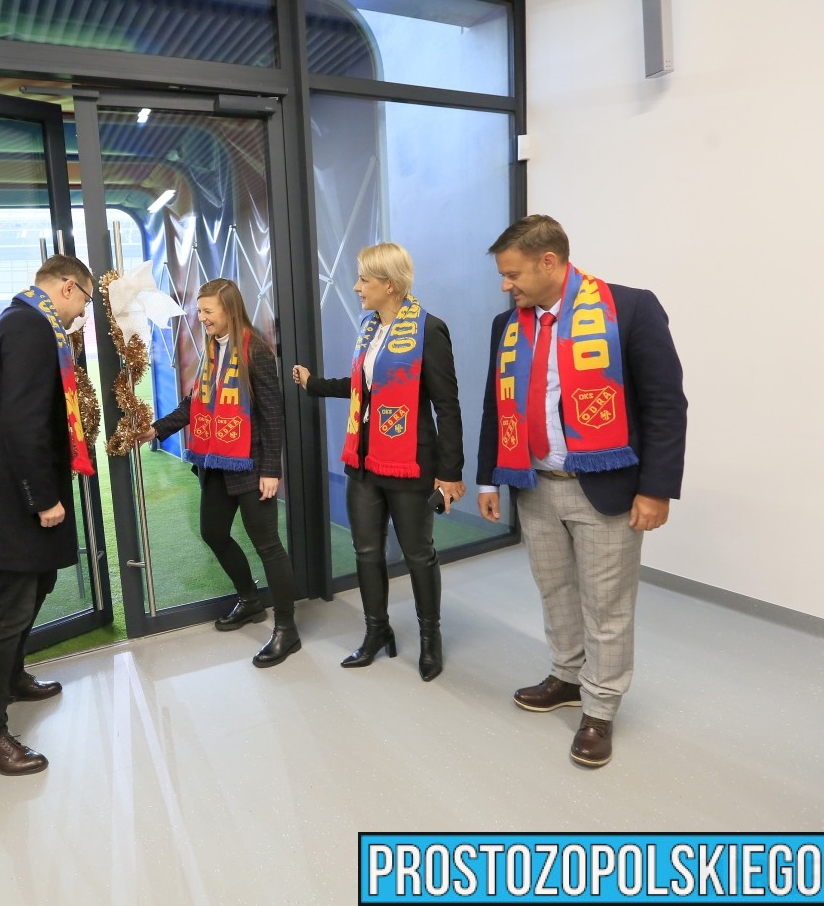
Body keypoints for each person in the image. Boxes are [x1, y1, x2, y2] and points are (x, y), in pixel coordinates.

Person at [477, 214, 687, 769]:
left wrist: (657, 488)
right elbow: (493, 406)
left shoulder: (629, 309)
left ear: (550, 262)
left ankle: (599, 708)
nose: (506, 285)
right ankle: (566, 677)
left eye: (513, 273)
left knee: (607, 607)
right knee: (556, 593)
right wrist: (488, 475)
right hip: (534, 484)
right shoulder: (508, 326)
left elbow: (666, 405)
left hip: (608, 486)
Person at [293, 242, 465, 681]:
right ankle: (376, 632)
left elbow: (447, 406)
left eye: (364, 280)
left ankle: (430, 639)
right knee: (366, 552)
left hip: (410, 462)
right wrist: (314, 385)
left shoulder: (430, 330)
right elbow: (361, 389)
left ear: (389, 285)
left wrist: (450, 473)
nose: (356, 288)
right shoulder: (369, 329)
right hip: (365, 462)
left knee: (417, 554)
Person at [0, 254, 97, 775]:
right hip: (17, 500)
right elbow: (23, 423)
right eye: (83, 302)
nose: (80, 314)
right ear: (67, 287)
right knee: (11, 607)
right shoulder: (30, 329)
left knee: (35, 588)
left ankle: (13, 677)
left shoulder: (21, 321)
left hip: (12, 494)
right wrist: (42, 498)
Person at [138, 278, 302, 668]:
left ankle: (287, 629)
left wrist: (270, 470)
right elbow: (193, 404)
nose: (202, 317)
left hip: (250, 466)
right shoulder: (212, 349)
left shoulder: (255, 350)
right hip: (215, 463)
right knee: (213, 532)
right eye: (200, 309)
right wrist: (157, 429)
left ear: (229, 310)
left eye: (208, 310)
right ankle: (249, 600)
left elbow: (273, 414)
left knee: (268, 546)